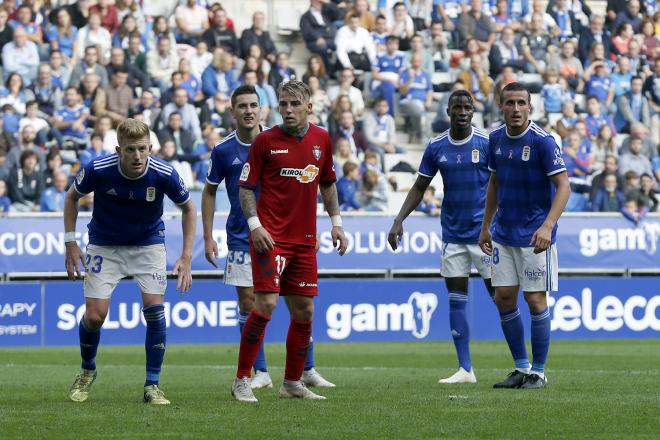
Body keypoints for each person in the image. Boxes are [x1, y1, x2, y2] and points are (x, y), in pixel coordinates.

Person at [202, 84, 335, 392]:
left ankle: (306, 369)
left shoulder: (285, 139)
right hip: (242, 234)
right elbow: (210, 192)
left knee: (298, 303)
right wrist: (208, 235)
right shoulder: (225, 150)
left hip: (288, 235)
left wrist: (312, 227)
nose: (249, 111)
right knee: (255, 302)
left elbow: (318, 181)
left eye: (253, 105)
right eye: (242, 106)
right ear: (233, 111)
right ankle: (258, 371)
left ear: (261, 108)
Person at [64, 118, 196, 405]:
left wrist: (186, 256)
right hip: (104, 244)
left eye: (142, 149)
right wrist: (70, 243)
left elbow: (188, 209)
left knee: (155, 310)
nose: (137, 156)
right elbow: (72, 197)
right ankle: (87, 370)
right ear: (118, 150)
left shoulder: (164, 173)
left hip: (147, 244)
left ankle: (152, 385)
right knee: (95, 316)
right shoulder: (98, 169)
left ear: (150, 147)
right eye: (130, 150)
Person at [231, 80, 347, 402]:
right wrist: (255, 227)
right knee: (265, 304)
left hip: (305, 240)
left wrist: (336, 224)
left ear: (308, 107)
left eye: (294, 104)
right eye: (283, 104)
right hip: (271, 239)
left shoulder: (322, 139)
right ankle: (243, 378)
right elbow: (245, 188)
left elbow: (328, 183)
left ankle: (292, 382)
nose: (288, 110)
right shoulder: (266, 141)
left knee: (305, 310)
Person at [389, 90, 495, 384]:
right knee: (456, 299)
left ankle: (522, 364)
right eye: (457, 107)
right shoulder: (436, 146)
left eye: (467, 107)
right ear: (448, 111)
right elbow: (420, 186)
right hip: (453, 235)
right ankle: (465, 369)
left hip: (485, 236)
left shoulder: (486, 143)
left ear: (473, 111)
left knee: (502, 298)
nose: (462, 111)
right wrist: (399, 220)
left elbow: (501, 184)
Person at [478, 82, 570, 389]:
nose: (516, 109)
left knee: (534, 299)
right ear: (501, 107)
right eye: (510, 103)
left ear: (530, 107)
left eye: (521, 103)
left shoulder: (544, 141)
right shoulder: (494, 139)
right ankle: (520, 367)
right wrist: (485, 225)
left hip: (535, 236)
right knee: (503, 297)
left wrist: (547, 225)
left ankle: (539, 372)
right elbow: (494, 182)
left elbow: (564, 186)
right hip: (503, 233)